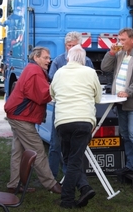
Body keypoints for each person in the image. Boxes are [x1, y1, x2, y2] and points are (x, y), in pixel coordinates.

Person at [4, 46, 62, 194]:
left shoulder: (32, 69)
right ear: (36, 58)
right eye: (46, 57)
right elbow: (43, 96)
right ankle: (51, 184)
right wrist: (60, 91)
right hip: (21, 117)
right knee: (38, 150)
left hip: (16, 114)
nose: (49, 61)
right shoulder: (35, 72)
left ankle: (14, 184)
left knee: (18, 151)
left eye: (49, 58)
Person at [50, 44, 102, 209]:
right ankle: (70, 198)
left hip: (63, 121)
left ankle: (81, 190)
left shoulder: (59, 73)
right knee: (74, 160)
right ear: (85, 60)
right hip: (83, 120)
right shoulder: (90, 72)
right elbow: (98, 98)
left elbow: (52, 95)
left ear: (67, 58)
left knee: (68, 158)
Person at [101, 28, 133, 180]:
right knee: (125, 134)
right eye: (119, 40)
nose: (120, 43)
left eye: (123, 40)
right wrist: (110, 53)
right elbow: (105, 67)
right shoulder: (121, 52)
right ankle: (131, 165)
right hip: (120, 101)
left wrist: (128, 91)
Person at [48, 31, 94, 180]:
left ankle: (70, 176)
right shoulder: (58, 61)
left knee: (73, 147)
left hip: (78, 107)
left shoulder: (87, 61)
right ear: (65, 46)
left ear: (80, 45)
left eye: (74, 45)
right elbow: (52, 82)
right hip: (62, 106)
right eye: (69, 45)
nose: (71, 48)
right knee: (55, 143)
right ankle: (52, 177)